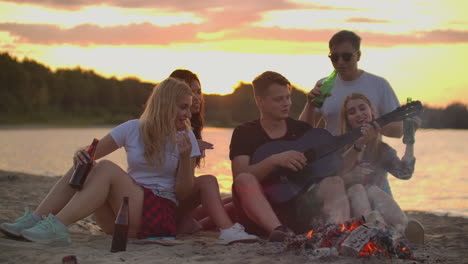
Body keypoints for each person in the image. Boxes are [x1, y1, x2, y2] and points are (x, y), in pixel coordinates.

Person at [0, 77, 254, 245]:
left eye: (190, 108)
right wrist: (82, 153)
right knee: (88, 164)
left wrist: (187, 157)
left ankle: (56, 226)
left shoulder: (185, 136)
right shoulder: (133, 128)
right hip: (119, 219)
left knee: (108, 169)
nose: (189, 114)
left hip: (157, 212)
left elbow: (184, 191)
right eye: (183, 107)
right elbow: (93, 153)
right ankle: (36, 218)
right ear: (165, 105)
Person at [229, 71, 351, 241]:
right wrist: (274, 160)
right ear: (260, 101)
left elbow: (321, 158)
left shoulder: (299, 129)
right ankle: (280, 232)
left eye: (288, 97)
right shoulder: (245, 132)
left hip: (298, 209)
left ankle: (338, 233)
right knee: (244, 180)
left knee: (334, 181)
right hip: (261, 215)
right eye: (279, 99)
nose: (286, 103)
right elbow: (240, 177)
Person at [169, 69, 255, 241]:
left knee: (234, 201)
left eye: (199, 92)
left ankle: (198, 225)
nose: (197, 97)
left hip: (179, 199)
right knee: (211, 184)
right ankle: (223, 229)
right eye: (191, 91)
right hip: (166, 200)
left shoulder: (189, 128)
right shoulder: (171, 130)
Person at [338, 93, 423, 242]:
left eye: (362, 108)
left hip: (379, 206)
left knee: (372, 190)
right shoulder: (340, 148)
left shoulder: (381, 150)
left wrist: (410, 141)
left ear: (372, 112)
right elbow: (327, 182)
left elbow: (405, 173)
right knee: (357, 189)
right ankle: (380, 229)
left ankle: (398, 228)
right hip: (351, 212)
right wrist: (349, 177)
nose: (359, 114)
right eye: (352, 112)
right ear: (348, 121)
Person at [299, 30, 402, 138]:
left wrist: (370, 123)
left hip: (369, 154)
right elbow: (303, 133)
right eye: (335, 57)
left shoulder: (379, 84)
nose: (340, 62)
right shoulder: (323, 85)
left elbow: (398, 131)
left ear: (358, 55)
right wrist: (310, 106)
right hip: (333, 154)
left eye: (346, 57)